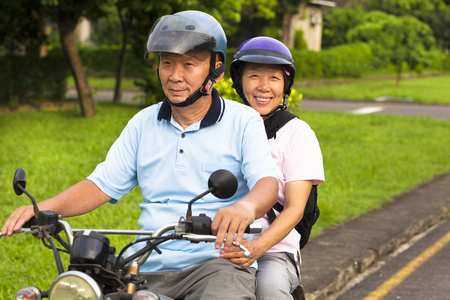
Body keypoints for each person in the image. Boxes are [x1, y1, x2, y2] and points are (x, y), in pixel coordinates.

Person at [1, 12, 278, 300]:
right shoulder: (142, 123)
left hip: (218, 264)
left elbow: (267, 183)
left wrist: (245, 208)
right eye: (166, 63)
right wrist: (43, 209)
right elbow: (101, 184)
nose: (174, 76)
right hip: (145, 264)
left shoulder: (243, 121)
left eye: (189, 64)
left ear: (216, 69)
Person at [221, 36, 325, 299]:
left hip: (273, 250)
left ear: (285, 84)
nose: (263, 87)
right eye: (254, 75)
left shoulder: (297, 134)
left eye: (274, 78)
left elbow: (295, 209)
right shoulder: (222, 128)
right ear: (239, 81)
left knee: (269, 288)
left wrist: (256, 248)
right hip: (219, 247)